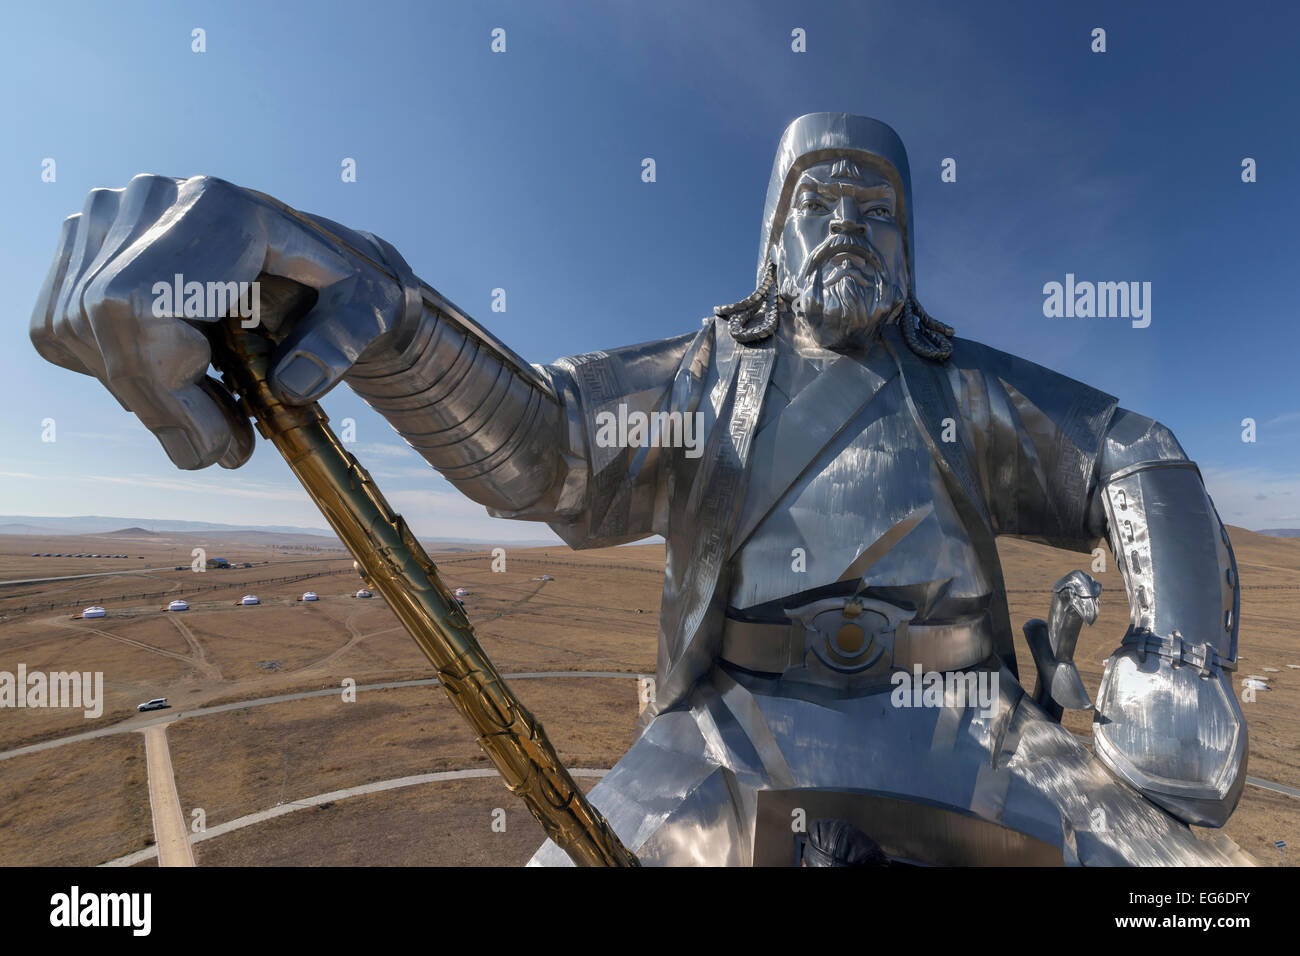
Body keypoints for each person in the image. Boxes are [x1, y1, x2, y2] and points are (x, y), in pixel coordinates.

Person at [30, 113, 1247, 866]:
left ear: (909, 241)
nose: (844, 223)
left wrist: (1181, 653)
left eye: (873, 206)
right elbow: (548, 445)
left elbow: (1133, 450)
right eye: (815, 202)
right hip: (732, 723)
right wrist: (386, 309)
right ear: (773, 236)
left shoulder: (964, 389)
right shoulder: (705, 378)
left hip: (974, 720)